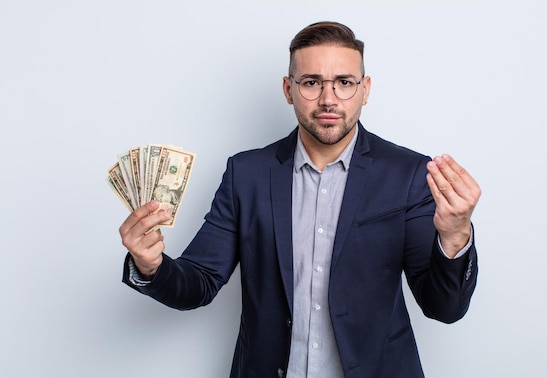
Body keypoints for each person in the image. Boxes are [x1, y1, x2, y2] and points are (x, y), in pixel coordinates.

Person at [119, 21, 481, 378]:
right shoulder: (247, 174)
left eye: (344, 82)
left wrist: (454, 237)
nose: (328, 99)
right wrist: (152, 266)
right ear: (288, 89)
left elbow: (444, 307)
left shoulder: (408, 174)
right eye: (311, 82)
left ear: (365, 89)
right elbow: (199, 282)